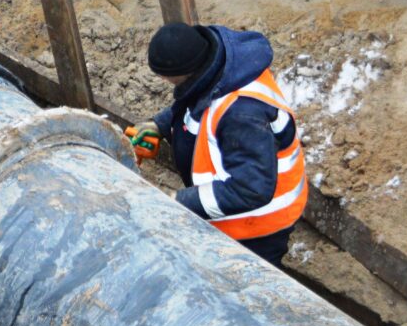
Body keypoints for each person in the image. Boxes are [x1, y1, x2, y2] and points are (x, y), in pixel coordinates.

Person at [128, 23, 307, 267]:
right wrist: (160, 124)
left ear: (186, 71)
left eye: (164, 75)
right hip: (235, 212)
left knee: (241, 295)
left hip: (257, 227)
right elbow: (196, 104)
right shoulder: (218, 67)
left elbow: (249, 189)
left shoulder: (241, 116)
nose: (162, 80)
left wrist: (179, 202)